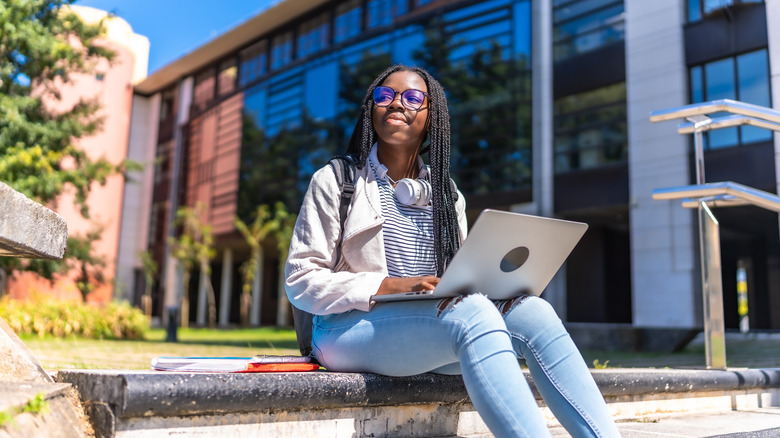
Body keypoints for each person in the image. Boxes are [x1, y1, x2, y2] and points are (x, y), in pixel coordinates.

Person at [285, 64, 620, 438]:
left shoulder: (447, 195)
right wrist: (390, 285)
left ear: (432, 119)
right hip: (345, 331)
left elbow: (458, 279)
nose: (396, 103)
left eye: (413, 98)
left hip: (428, 331)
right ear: (371, 109)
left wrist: (496, 293)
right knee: (474, 314)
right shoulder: (337, 180)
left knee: (534, 313)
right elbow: (300, 280)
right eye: (384, 96)